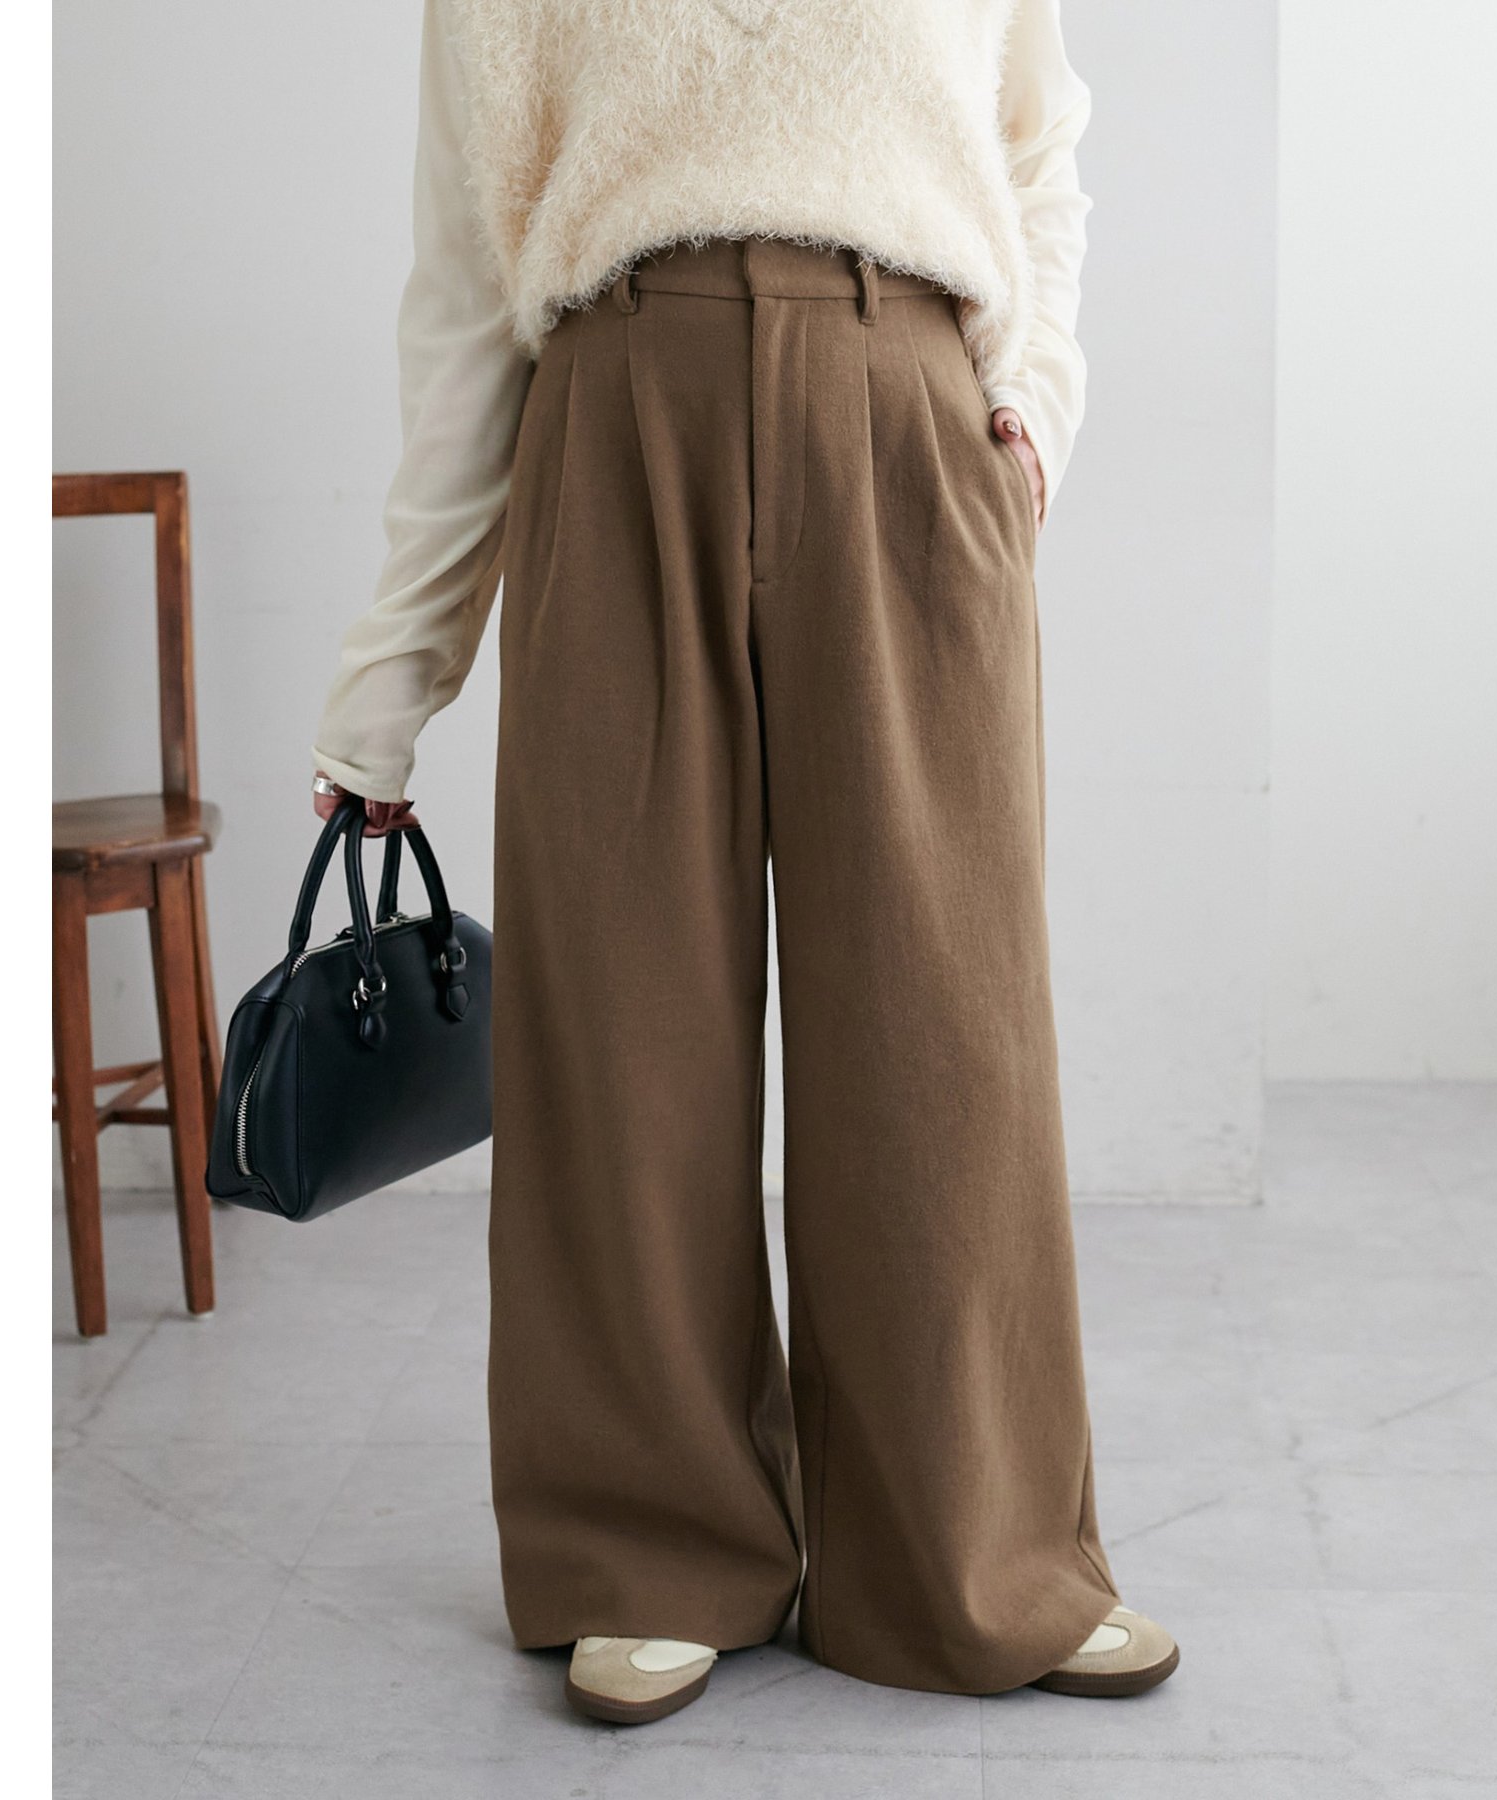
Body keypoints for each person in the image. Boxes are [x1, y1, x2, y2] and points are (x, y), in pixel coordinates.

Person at [310, 0, 1179, 1725]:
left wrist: (1032, 400)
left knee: (944, 1031)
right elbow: (467, 289)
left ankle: (978, 1550)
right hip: (615, 411)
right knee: (623, 1033)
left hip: (908, 419)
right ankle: (648, 1546)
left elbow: (1038, 153)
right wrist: (393, 678)